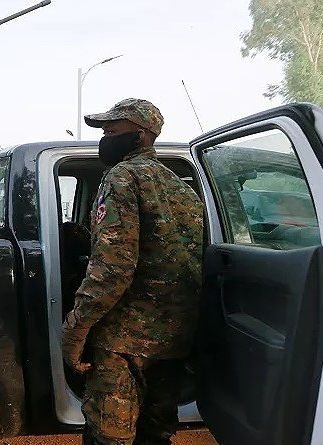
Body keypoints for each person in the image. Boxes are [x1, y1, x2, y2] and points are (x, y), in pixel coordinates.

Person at [61, 98, 205, 445]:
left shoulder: (121, 178)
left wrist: (75, 330)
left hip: (123, 343)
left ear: (141, 135)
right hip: (172, 340)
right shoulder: (181, 187)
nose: (104, 137)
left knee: (110, 436)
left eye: (112, 130)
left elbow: (113, 270)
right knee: (156, 433)